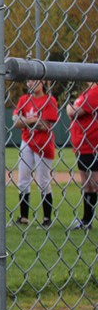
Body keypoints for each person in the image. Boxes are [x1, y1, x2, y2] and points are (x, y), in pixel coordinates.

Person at [12, 79, 58, 227]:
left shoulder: (49, 100)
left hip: (43, 144)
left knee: (43, 181)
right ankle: (24, 217)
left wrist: (27, 121)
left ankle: (46, 218)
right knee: (23, 180)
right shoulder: (24, 99)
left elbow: (45, 126)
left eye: (34, 81)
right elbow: (15, 122)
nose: (30, 84)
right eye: (28, 81)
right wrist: (33, 121)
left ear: (42, 83)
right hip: (27, 141)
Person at [67, 82, 98, 231]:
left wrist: (72, 108)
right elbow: (72, 109)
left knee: (94, 183)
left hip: (93, 145)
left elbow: (75, 111)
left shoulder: (95, 92)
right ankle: (87, 220)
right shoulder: (86, 92)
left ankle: (87, 219)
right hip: (82, 145)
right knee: (87, 185)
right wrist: (72, 108)